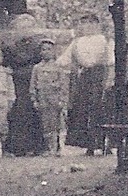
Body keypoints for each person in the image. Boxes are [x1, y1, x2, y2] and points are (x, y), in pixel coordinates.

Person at [62, 13, 113, 155]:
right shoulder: (77, 42)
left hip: (100, 76)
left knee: (101, 110)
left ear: (98, 25)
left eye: (92, 22)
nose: (88, 26)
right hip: (84, 78)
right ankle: (89, 145)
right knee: (83, 110)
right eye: (84, 23)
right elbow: (62, 61)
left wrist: (109, 80)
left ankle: (104, 145)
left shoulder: (105, 40)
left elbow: (111, 62)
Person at [0, 12, 47, 155]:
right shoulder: (10, 47)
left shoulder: (38, 46)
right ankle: (18, 147)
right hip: (17, 83)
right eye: (22, 28)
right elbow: (6, 64)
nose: (25, 30)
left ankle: (37, 147)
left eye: (28, 27)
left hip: (33, 81)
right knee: (18, 112)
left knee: (34, 112)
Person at [30, 36, 70, 156]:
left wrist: (62, 100)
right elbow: (33, 85)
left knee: (57, 123)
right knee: (45, 124)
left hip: (55, 98)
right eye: (43, 49)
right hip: (43, 98)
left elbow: (63, 85)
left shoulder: (58, 67)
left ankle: (57, 147)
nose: (46, 52)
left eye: (48, 49)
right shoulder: (37, 68)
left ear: (53, 51)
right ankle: (48, 147)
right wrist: (34, 100)